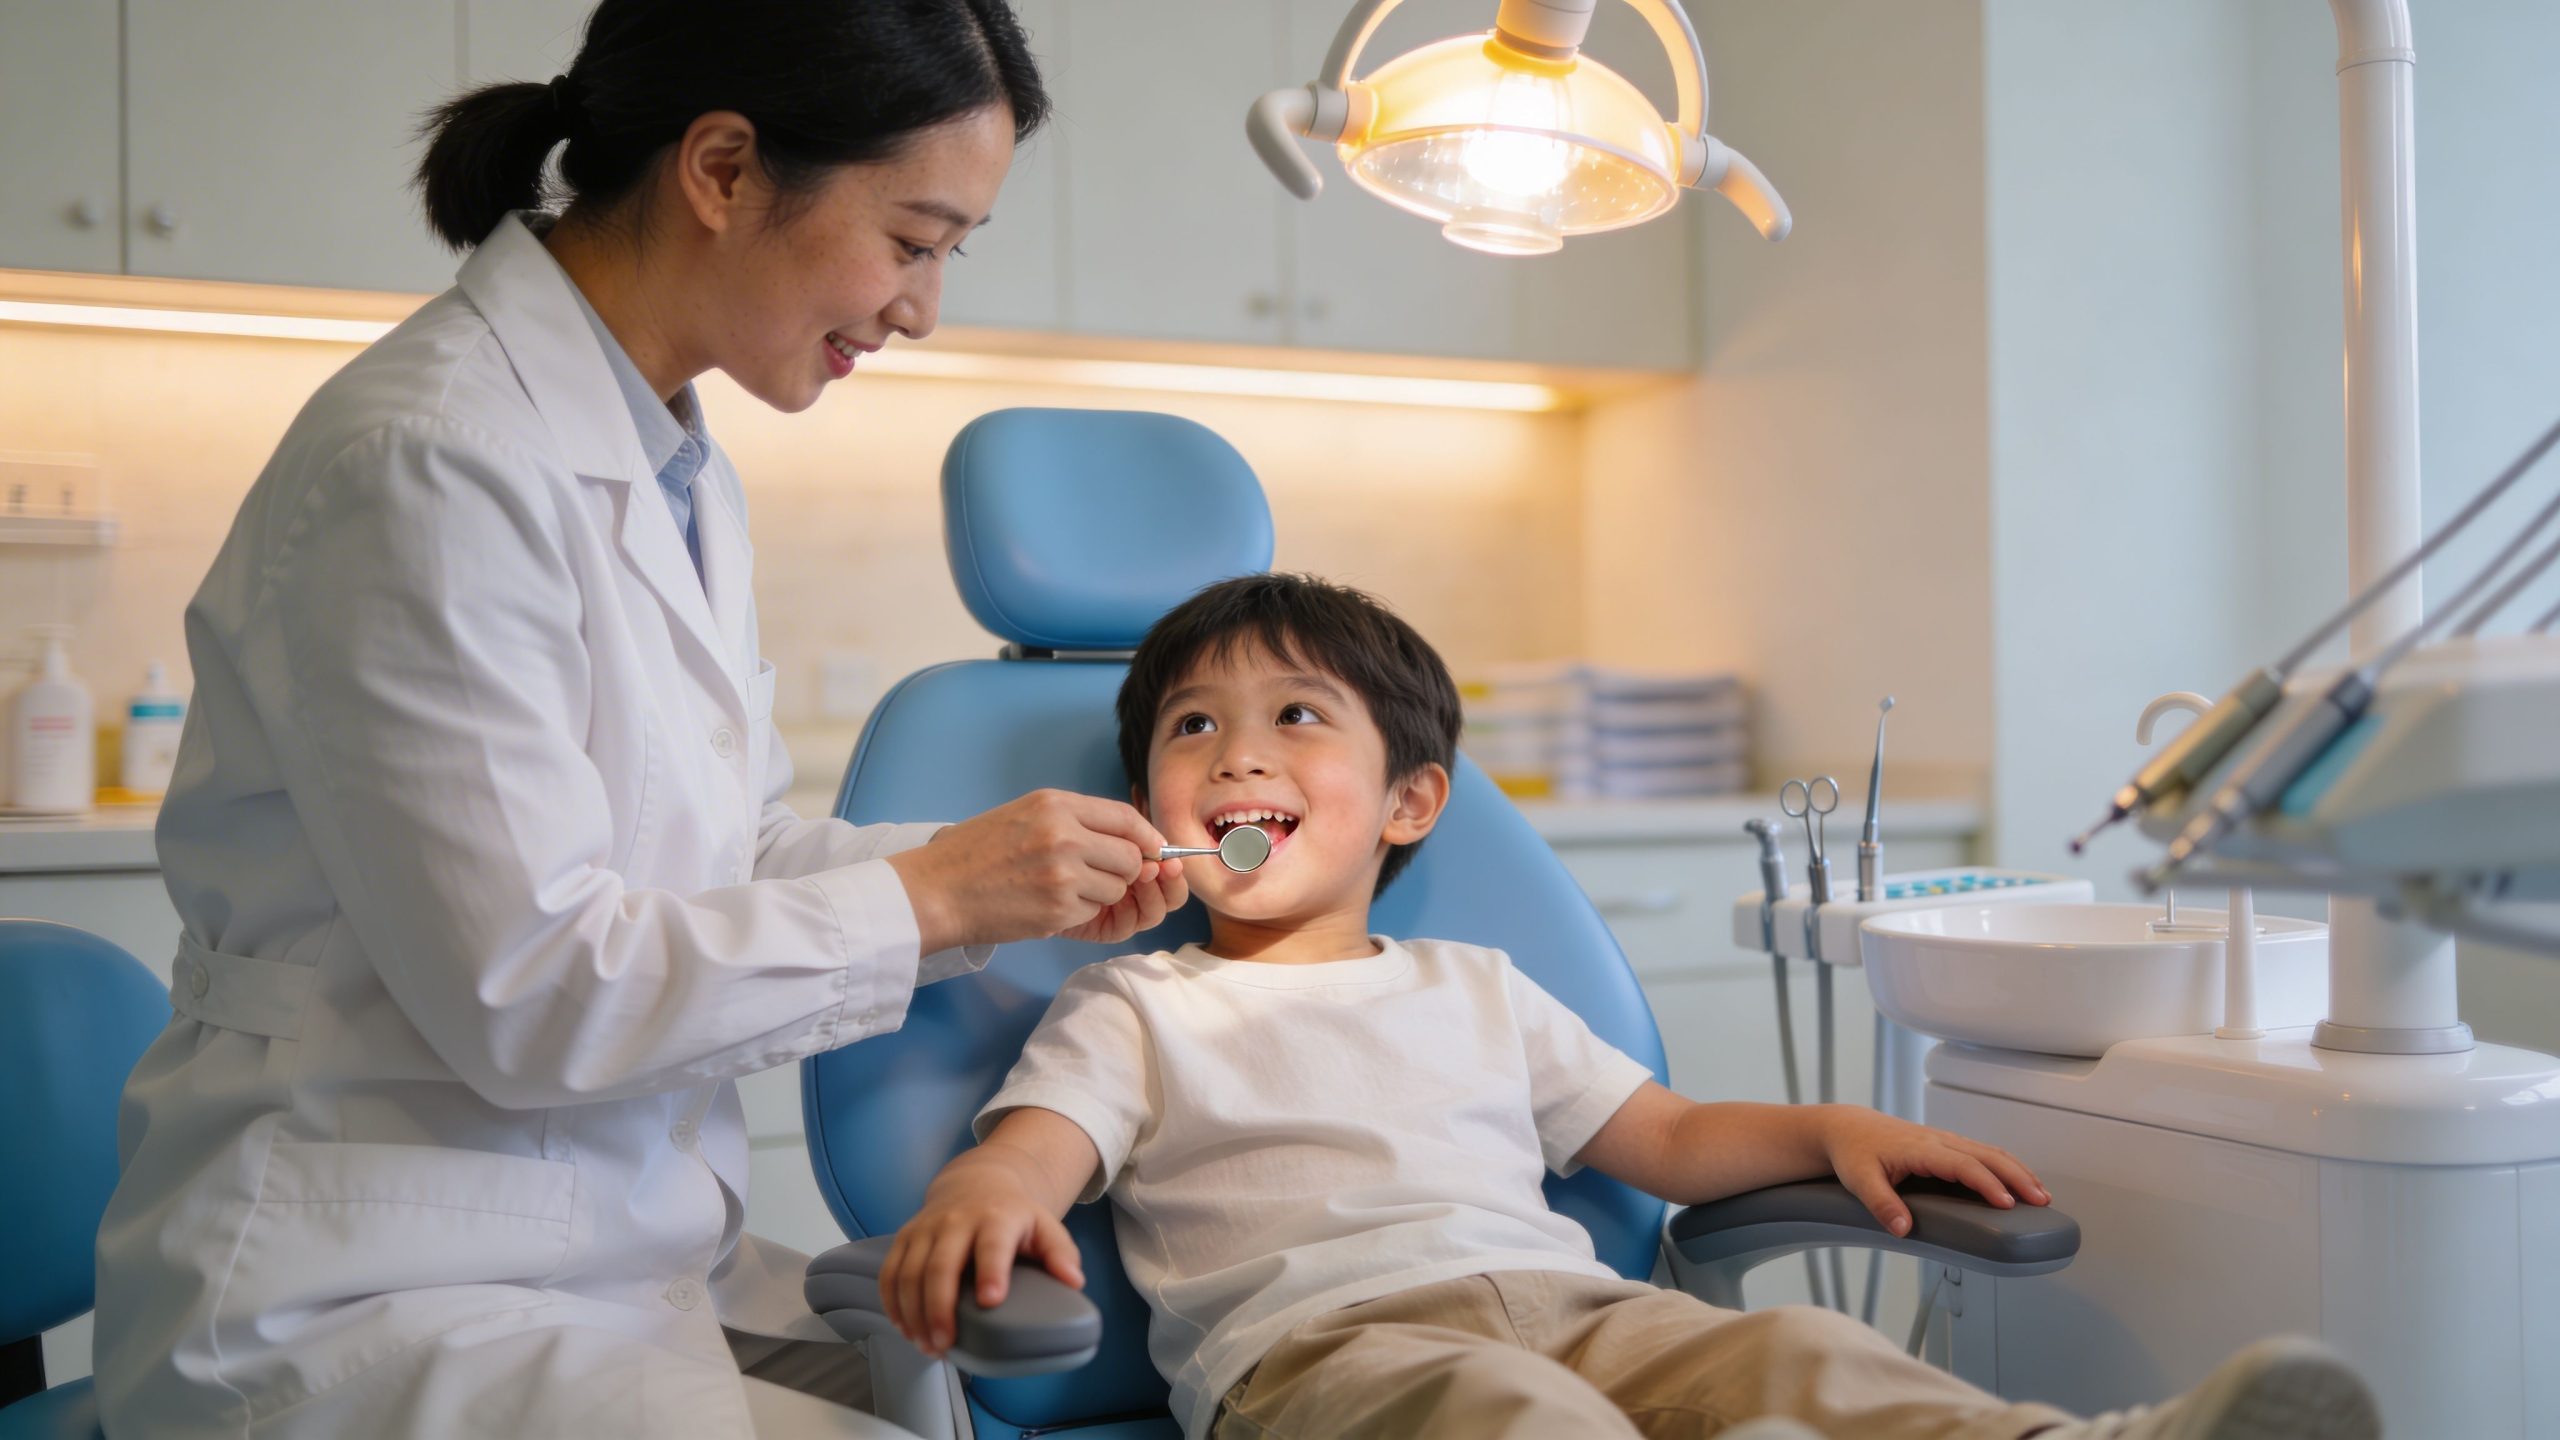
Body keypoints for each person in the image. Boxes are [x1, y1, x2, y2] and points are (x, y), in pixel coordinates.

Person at [91, 4, 1189, 1437]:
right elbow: (537, 987)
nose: (922, 307)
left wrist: (991, 884)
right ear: (724, 169)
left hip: (605, 1259)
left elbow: (702, 863)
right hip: (373, 1290)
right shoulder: (429, 461)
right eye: (912, 241)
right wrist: (930, 896)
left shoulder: (668, 457)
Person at [877, 573, 2383, 1440]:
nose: (1235, 754)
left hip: (1591, 1312)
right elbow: (1040, 1147)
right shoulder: (1140, 1007)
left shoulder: (1477, 986)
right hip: (1332, 1362)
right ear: (1154, 799)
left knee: (1814, 1369)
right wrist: (979, 1194)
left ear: (1412, 803)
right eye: (1192, 729)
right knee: (1531, 1432)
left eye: (1295, 720)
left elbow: (1661, 1132)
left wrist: (1832, 1127)